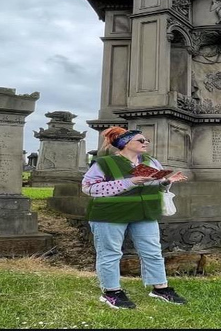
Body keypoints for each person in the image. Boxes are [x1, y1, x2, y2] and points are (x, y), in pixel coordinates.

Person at [81, 126, 188, 309]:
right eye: (141, 140)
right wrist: (129, 182)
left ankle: (160, 288)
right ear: (125, 144)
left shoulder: (151, 162)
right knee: (110, 253)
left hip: (144, 213)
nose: (145, 142)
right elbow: (88, 188)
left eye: (146, 140)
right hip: (110, 215)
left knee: (152, 251)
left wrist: (166, 182)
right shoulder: (104, 163)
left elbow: (155, 186)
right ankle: (111, 292)